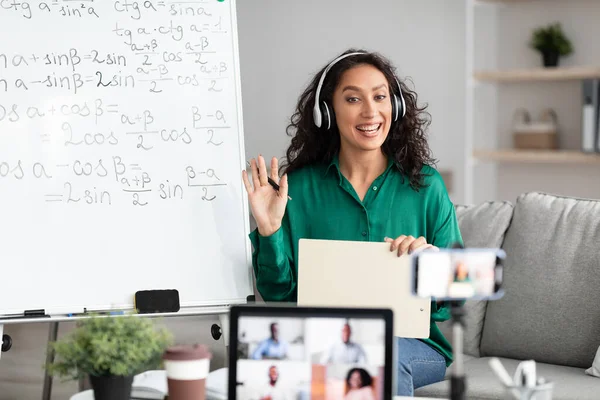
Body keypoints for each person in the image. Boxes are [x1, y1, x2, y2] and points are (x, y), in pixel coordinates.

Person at [242, 49, 463, 396]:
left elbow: (459, 290)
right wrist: (269, 231)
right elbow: (278, 294)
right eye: (353, 99)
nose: (370, 111)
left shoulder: (426, 185)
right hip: (321, 343)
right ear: (327, 112)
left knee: (376, 357)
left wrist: (432, 266)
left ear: (396, 107)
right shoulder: (296, 188)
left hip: (412, 347)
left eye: (379, 97)